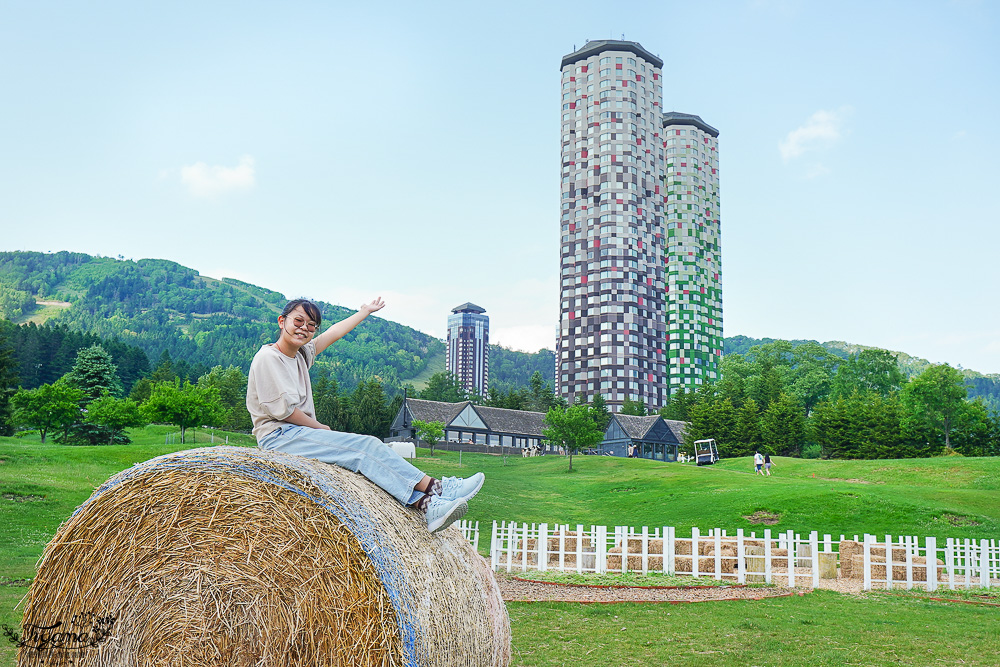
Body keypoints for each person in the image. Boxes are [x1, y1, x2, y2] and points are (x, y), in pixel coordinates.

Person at [246, 297, 484, 533]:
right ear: (281, 321)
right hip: (279, 436)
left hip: (297, 433)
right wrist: (321, 428)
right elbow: (285, 411)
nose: (305, 328)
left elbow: (332, 334)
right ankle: (438, 488)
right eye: (299, 321)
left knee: (366, 456)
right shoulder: (269, 358)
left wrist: (364, 312)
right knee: (365, 448)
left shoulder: (299, 355)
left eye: (311, 325)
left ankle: (428, 505)